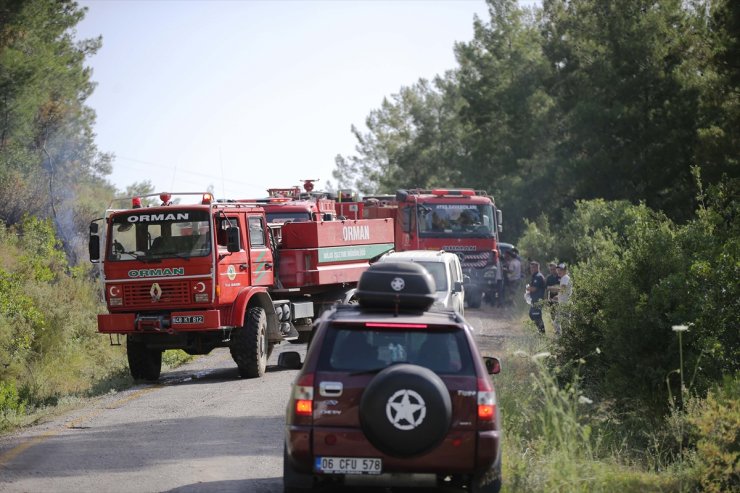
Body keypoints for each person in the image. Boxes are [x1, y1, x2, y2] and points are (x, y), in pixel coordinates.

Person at [527, 261, 546, 334]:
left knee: (537, 316)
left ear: (537, 268)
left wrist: (528, 289)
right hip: (535, 300)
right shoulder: (535, 276)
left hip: (538, 300)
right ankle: (540, 331)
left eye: (533, 267)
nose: (531, 269)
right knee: (532, 314)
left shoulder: (538, 276)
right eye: (531, 268)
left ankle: (542, 334)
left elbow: (534, 288)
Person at [554, 263, 572, 334]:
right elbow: (564, 291)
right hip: (564, 303)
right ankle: (566, 339)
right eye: (558, 270)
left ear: (565, 270)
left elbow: (562, 289)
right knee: (564, 323)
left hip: (565, 304)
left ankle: (562, 339)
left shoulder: (565, 278)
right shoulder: (564, 278)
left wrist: (551, 288)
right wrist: (558, 296)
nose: (558, 271)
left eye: (561, 270)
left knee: (558, 322)